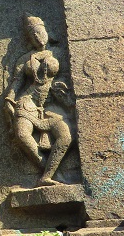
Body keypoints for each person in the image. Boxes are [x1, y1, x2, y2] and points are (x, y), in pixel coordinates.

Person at [4, 15, 74, 186]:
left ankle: (47, 176)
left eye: (39, 32)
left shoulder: (59, 53)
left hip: (52, 103)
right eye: (32, 35)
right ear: (29, 39)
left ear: (46, 31)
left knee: (65, 137)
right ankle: (47, 170)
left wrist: (65, 94)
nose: (37, 37)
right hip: (28, 103)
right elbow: (17, 82)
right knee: (22, 135)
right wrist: (9, 100)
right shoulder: (25, 59)